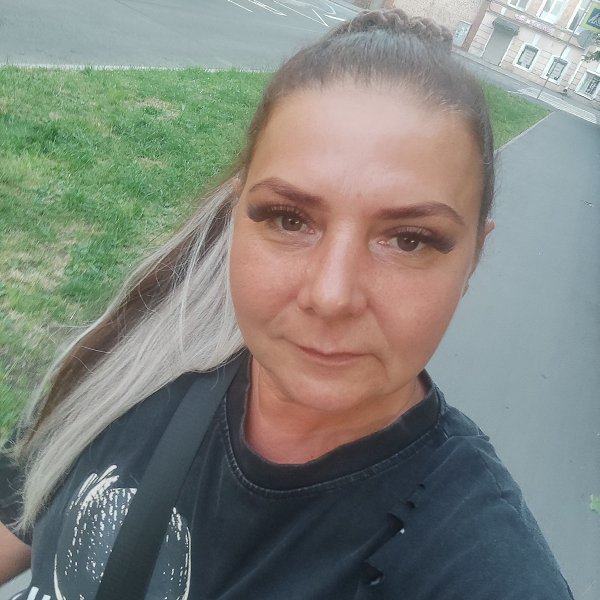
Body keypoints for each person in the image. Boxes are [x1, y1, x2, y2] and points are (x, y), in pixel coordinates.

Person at [0, 9, 574, 599]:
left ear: (473, 258)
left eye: (409, 239)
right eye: (289, 219)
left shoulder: (478, 563)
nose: (331, 295)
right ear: (237, 215)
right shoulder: (138, 357)